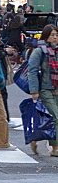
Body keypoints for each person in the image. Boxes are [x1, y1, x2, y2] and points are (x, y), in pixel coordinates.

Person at [27, 24, 58, 157]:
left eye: (57, 35)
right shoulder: (40, 51)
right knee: (55, 117)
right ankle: (55, 148)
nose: (55, 37)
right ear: (46, 36)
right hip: (46, 89)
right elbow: (32, 71)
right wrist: (34, 91)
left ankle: (34, 138)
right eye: (52, 35)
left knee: (47, 120)